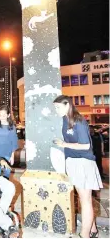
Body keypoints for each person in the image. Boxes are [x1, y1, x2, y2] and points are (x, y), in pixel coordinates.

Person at [53, 95, 103, 238]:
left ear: (67, 105)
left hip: (83, 162)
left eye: (58, 107)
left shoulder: (78, 120)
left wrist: (65, 144)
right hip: (73, 162)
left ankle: (84, 235)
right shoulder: (65, 119)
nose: (56, 110)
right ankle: (92, 230)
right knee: (84, 199)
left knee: (85, 200)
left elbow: (86, 145)